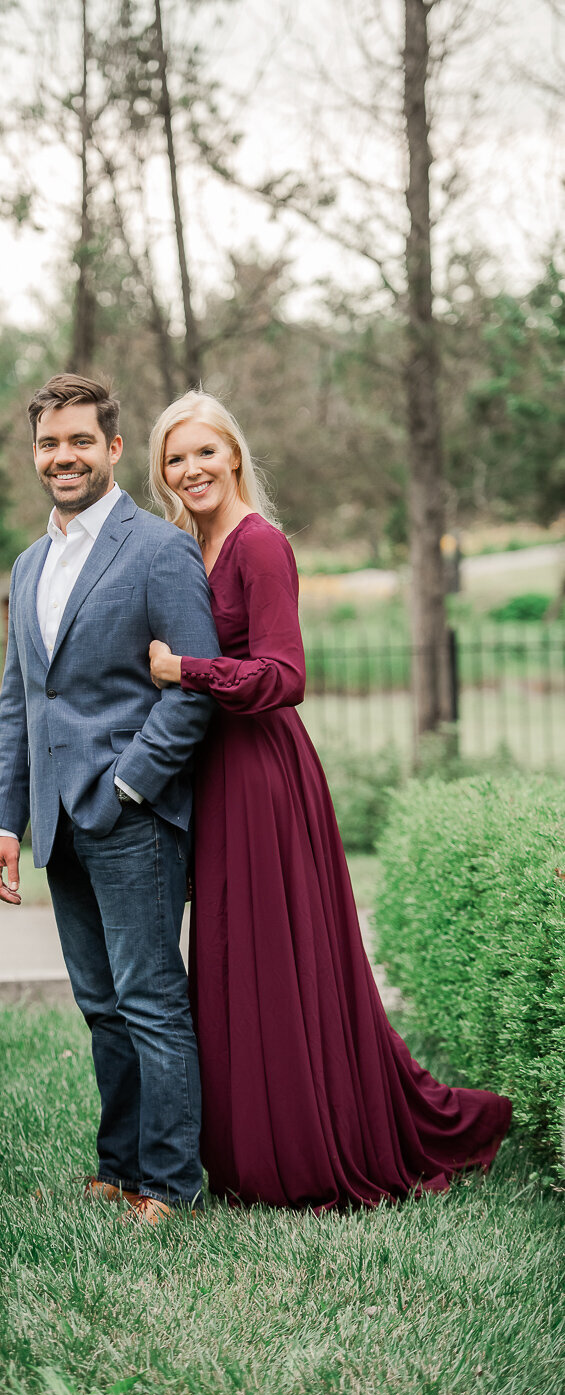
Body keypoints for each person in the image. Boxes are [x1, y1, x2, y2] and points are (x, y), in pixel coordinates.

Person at [147, 390, 512, 1212]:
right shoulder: (186, 547)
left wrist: (185, 671)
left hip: (263, 775)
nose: (191, 469)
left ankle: (303, 1150)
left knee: (274, 961)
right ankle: (242, 1148)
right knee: (230, 960)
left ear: (234, 455)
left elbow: (284, 676)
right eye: (175, 458)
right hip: (214, 772)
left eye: (205, 452)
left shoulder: (260, 545)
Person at [0, 374, 220, 1222]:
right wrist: (3, 819)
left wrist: (130, 783)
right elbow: (21, 701)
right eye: (50, 442)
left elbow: (191, 689)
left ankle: (170, 1182)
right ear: (35, 453)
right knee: (98, 1004)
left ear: (113, 449)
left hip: (132, 818)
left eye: (80, 440)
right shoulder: (26, 566)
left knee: (150, 998)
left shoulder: (159, 550)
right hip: (54, 821)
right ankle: (116, 1166)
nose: (64, 456)